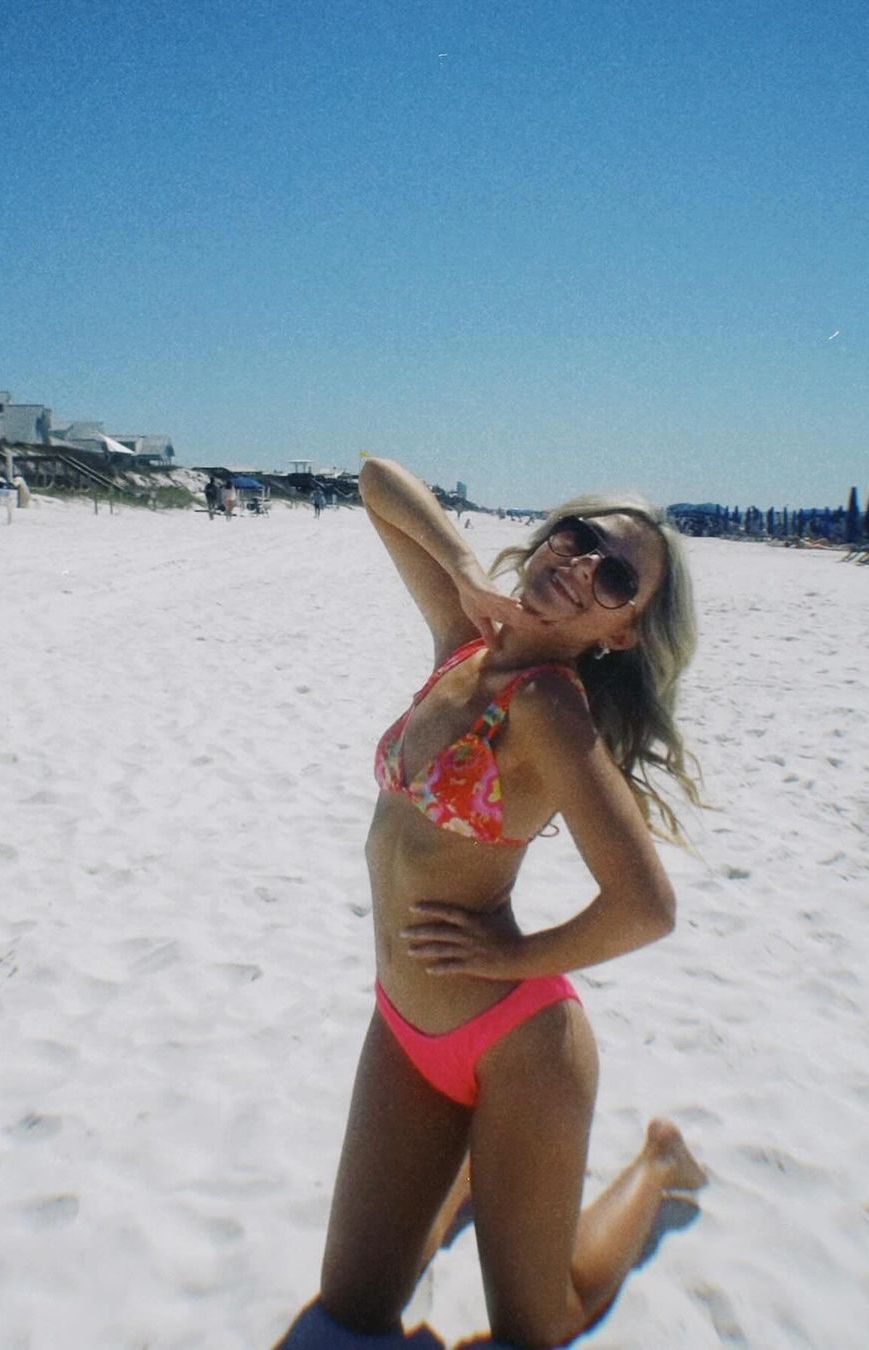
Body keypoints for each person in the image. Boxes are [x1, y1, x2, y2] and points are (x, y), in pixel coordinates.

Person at [284, 457, 707, 1349]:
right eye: (579, 537)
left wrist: (514, 958)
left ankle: (658, 1161)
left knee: (539, 1324)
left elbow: (646, 906)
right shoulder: (463, 641)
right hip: (404, 1024)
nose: (582, 564)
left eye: (615, 577)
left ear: (623, 630)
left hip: (519, 1050)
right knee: (351, 1305)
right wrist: (467, 572)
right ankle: (479, 1172)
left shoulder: (549, 707)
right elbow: (377, 482)